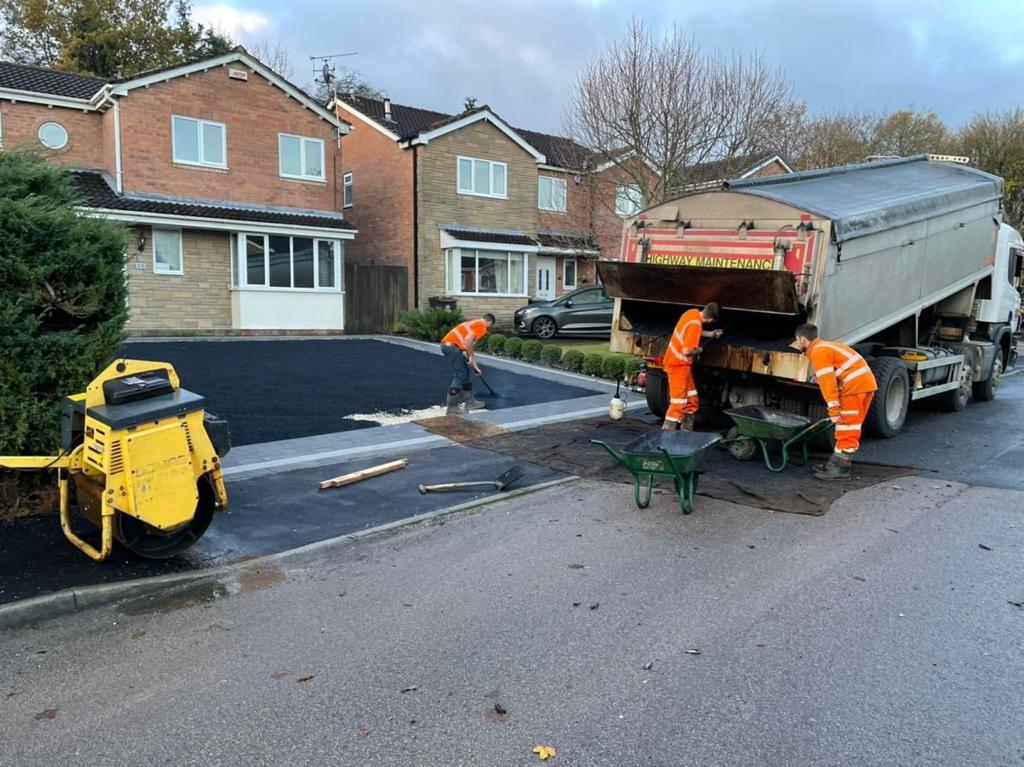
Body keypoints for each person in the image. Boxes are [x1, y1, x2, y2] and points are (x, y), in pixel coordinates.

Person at [793, 323, 878, 480]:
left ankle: (842, 469)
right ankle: (835, 464)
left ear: (803, 339)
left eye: (797, 341)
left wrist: (833, 409)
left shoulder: (818, 352)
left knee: (847, 429)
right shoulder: (825, 347)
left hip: (854, 388)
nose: (797, 344)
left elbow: (828, 382)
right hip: (861, 386)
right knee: (847, 428)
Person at [663, 302, 722, 431]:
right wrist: (699, 349)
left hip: (681, 365)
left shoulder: (691, 313)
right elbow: (687, 350)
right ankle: (666, 436)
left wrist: (711, 334)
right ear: (711, 319)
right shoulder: (695, 324)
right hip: (677, 366)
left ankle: (686, 433)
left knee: (692, 401)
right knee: (678, 404)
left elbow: (693, 330)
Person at [440, 314, 495, 414]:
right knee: (460, 375)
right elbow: (469, 341)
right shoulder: (482, 326)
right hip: (452, 347)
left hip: (450, 346)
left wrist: (474, 366)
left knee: (465, 372)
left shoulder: (473, 323)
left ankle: (470, 402)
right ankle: (452, 408)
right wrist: (471, 357)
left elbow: (465, 345)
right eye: (489, 326)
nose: (488, 328)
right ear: (489, 322)